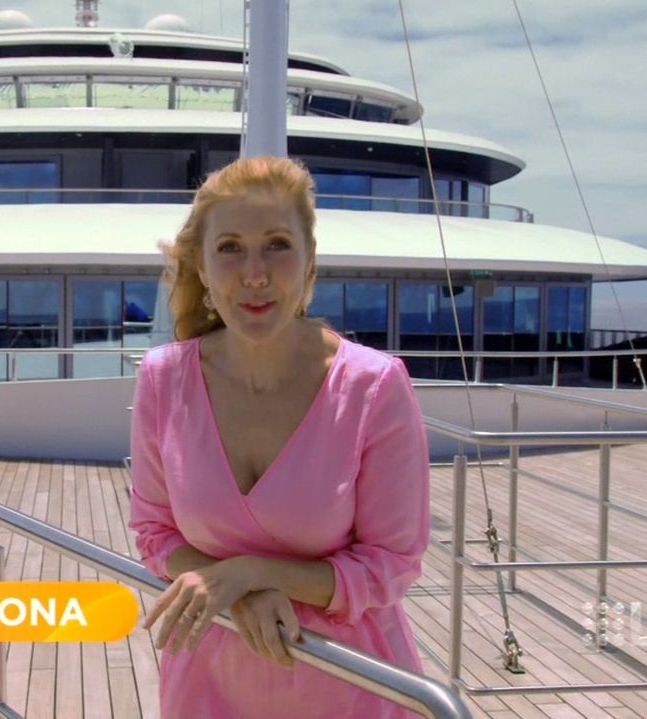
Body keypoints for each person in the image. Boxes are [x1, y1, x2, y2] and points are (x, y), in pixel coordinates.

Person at [127, 156, 430, 718]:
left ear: (310, 261)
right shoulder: (163, 378)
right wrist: (238, 592)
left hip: (350, 684)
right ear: (202, 268)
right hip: (210, 685)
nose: (255, 273)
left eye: (277, 245)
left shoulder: (374, 385)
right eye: (230, 248)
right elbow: (155, 533)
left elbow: (392, 563)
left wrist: (250, 574)